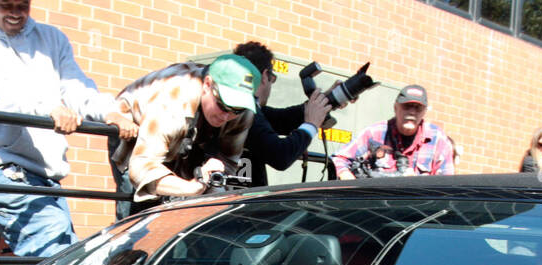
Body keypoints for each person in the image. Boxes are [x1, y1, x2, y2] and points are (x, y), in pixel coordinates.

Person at [0, 0, 137, 260]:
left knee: (60, 264)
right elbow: (2, 98)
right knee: (56, 261)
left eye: (23, 5)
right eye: (7, 5)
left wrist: (109, 112)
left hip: (45, 173)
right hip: (2, 167)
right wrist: (50, 108)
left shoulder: (51, 39)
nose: (16, 13)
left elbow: (76, 86)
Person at [110, 55, 261, 215]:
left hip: (190, 137)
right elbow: (142, 167)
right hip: (135, 129)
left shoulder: (244, 112)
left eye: (237, 110)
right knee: (136, 211)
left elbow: (228, 164)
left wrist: (213, 188)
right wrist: (192, 187)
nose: (226, 116)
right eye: (222, 105)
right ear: (207, 85)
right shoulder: (174, 99)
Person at [233, 41, 332, 188]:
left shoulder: (233, 106)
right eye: (273, 79)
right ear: (265, 75)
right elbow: (280, 156)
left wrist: (329, 99)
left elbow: (282, 119)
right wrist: (310, 126)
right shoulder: (244, 109)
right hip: (237, 205)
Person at [334, 85, 454, 179]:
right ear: (395, 107)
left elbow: (447, 184)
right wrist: (350, 181)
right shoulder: (375, 133)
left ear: (425, 111)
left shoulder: (437, 139)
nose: (412, 112)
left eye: (417, 108)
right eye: (407, 106)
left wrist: (417, 184)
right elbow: (338, 159)